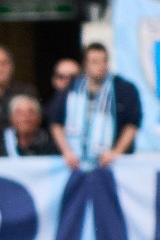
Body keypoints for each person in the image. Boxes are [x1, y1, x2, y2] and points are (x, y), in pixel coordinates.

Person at [50, 42, 142, 171]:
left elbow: (132, 125)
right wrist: (67, 151)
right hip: (74, 165)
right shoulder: (71, 90)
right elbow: (55, 122)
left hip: (110, 165)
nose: (101, 66)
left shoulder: (123, 89)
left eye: (104, 61)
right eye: (95, 62)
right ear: (85, 64)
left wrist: (116, 153)